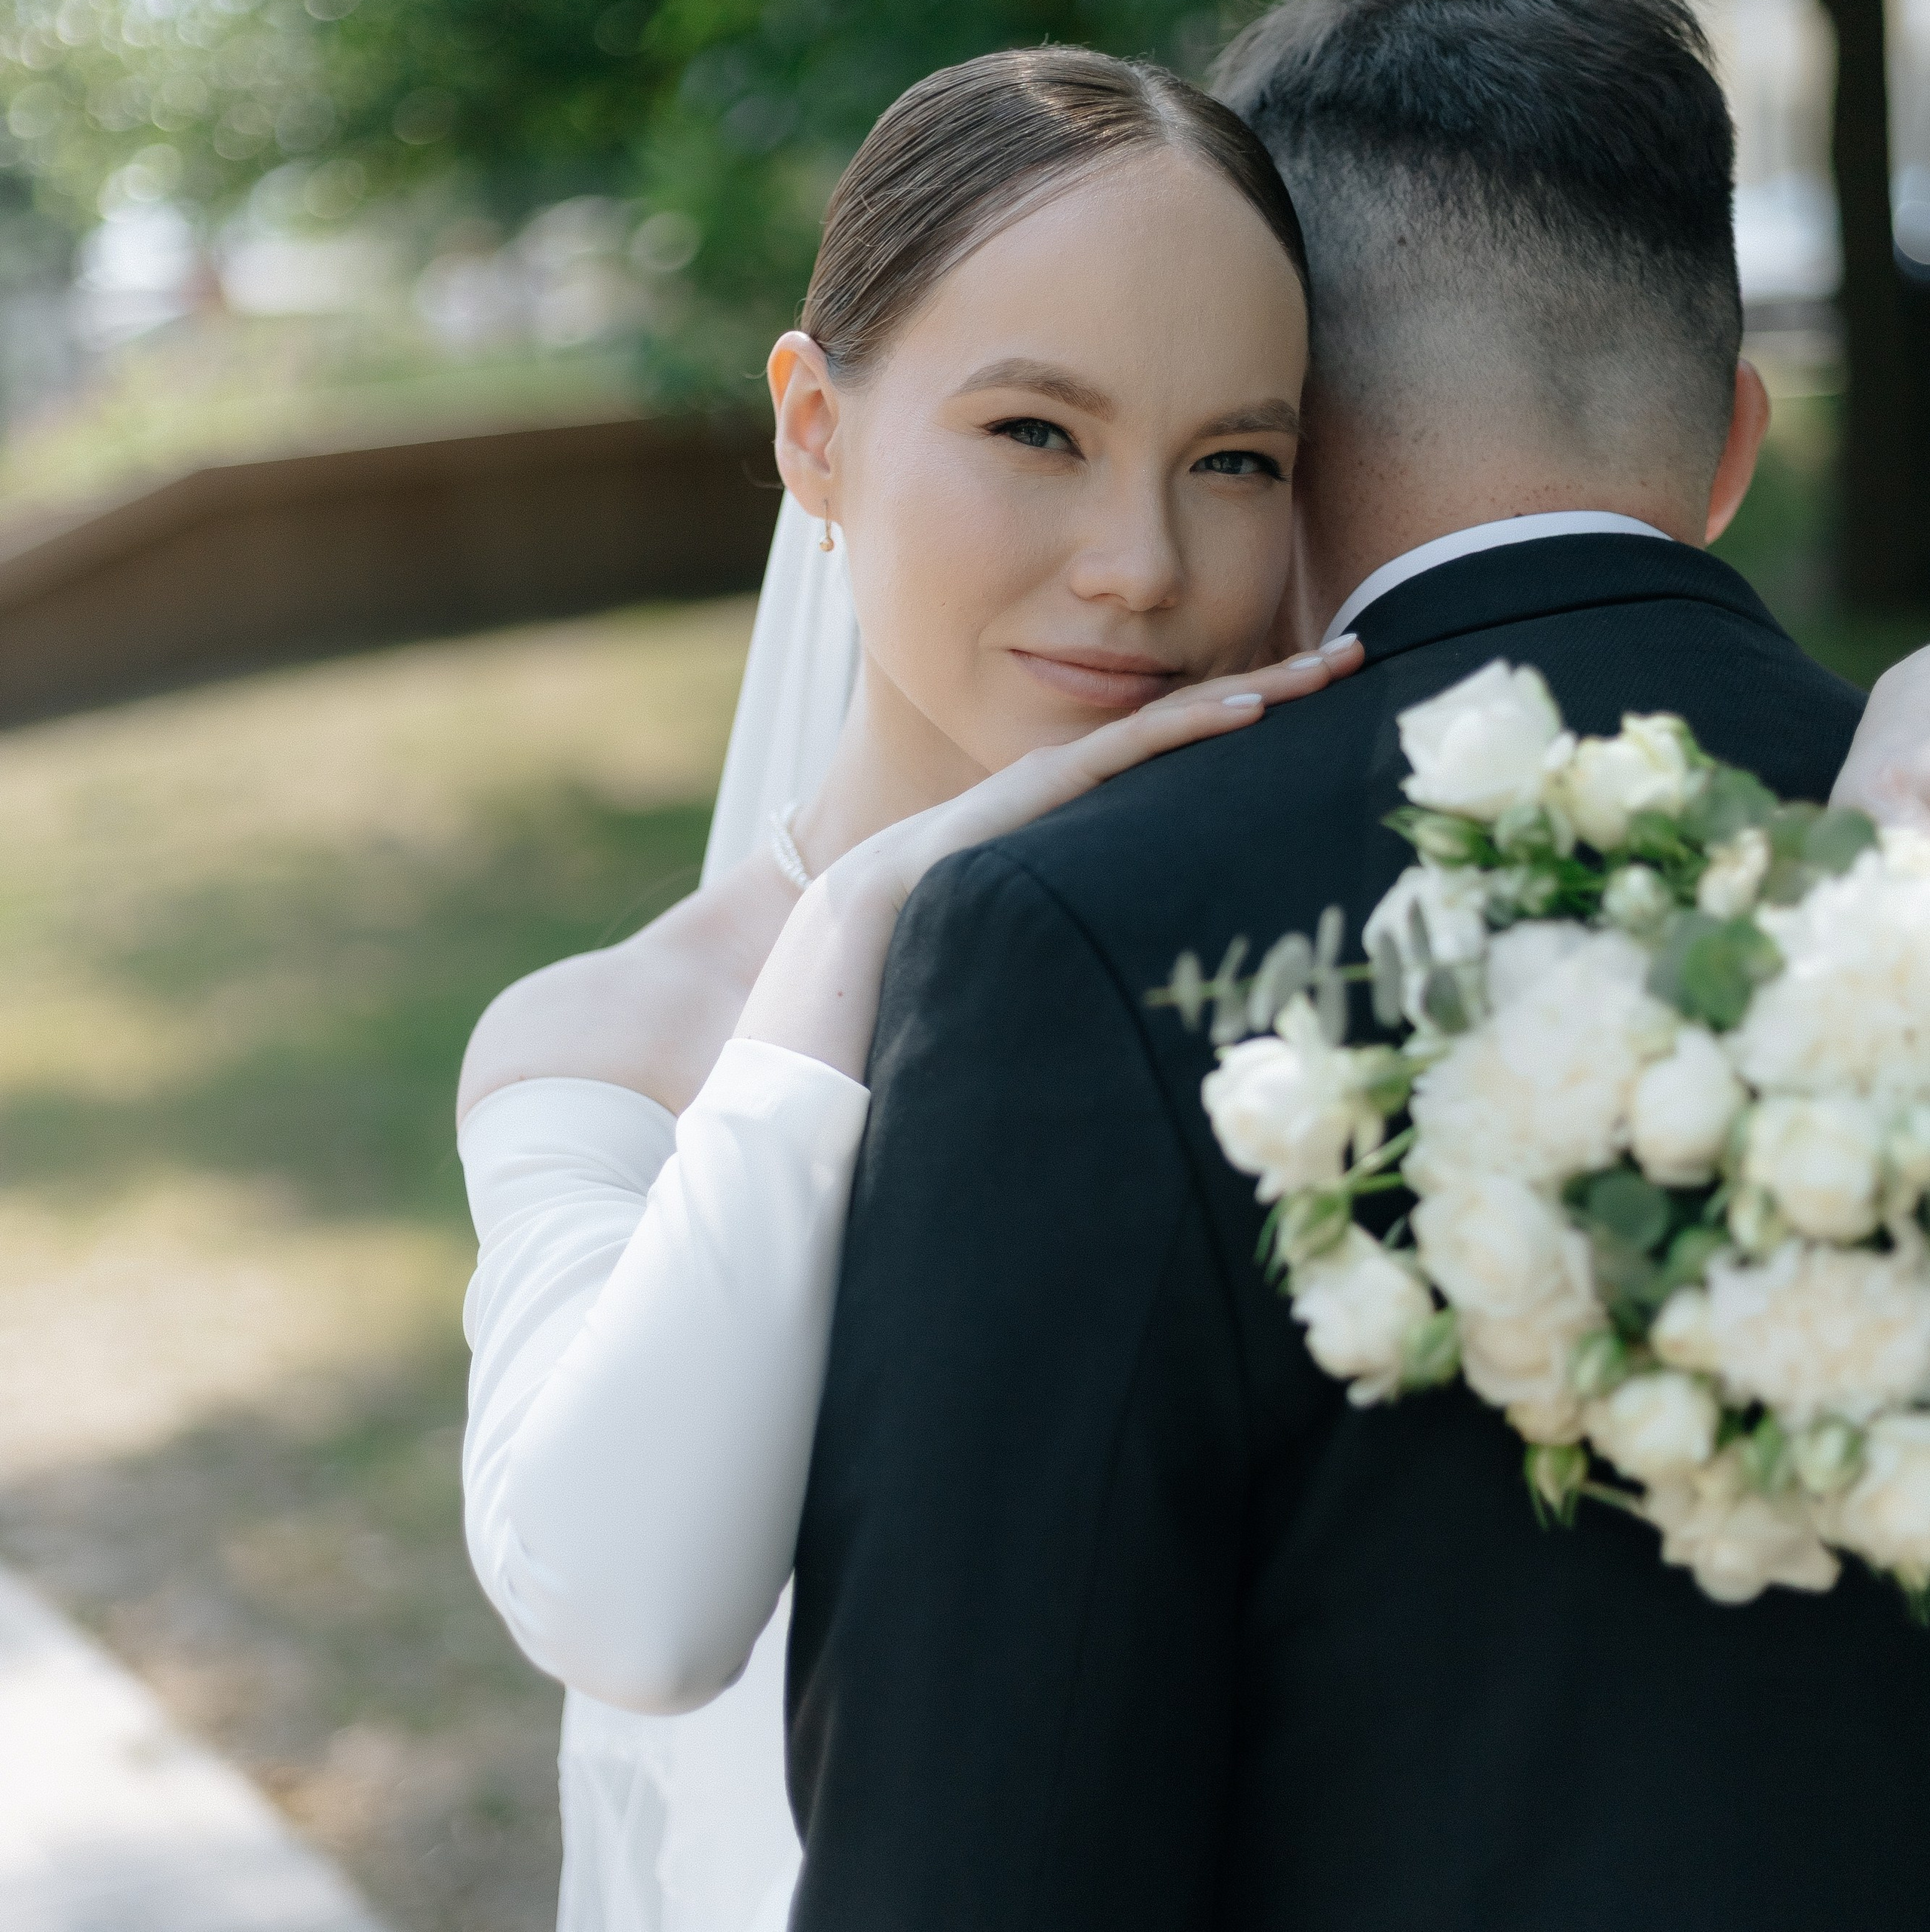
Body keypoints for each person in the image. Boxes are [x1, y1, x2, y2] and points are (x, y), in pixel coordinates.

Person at [783, 3, 1930, 1929]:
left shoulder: (1078, 939)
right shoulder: (1889, 821)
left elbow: (972, 1847)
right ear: (1736, 438)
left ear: (1287, 429)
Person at [456, 50, 1361, 1932]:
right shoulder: (604, 1044)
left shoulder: (1311, 973)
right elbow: (632, 1607)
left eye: (1234, 462)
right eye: (1036, 431)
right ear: (814, 430)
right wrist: (868, 911)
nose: (1139, 567)